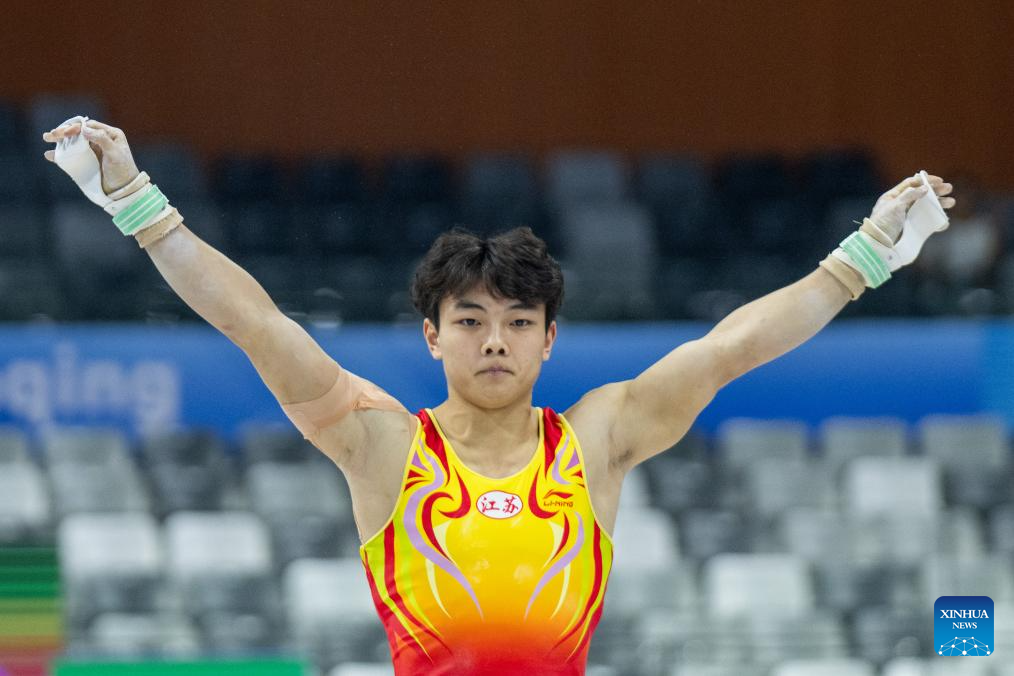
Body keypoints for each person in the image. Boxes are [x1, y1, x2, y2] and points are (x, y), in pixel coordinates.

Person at [43, 117, 956, 676]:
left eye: (520, 322)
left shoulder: (598, 438)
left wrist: (864, 257)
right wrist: (135, 200)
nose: (494, 341)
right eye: (470, 320)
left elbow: (731, 349)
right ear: (430, 335)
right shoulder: (383, 446)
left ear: (550, 339)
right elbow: (255, 324)